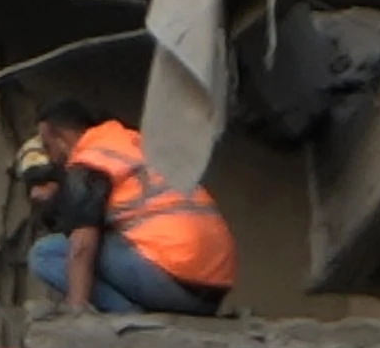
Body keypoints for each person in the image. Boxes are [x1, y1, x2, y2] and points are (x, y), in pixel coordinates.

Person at [20, 109, 235, 315]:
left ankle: (128, 316)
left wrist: (77, 309)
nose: (53, 158)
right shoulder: (131, 144)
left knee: (46, 253)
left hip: (174, 281)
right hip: (210, 292)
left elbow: (83, 244)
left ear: (60, 137)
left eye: (48, 147)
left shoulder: (89, 162)